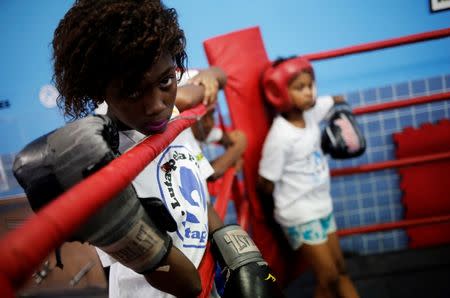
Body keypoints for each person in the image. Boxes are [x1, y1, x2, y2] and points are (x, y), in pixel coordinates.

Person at [43, 1, 282, 297]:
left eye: (166, 81)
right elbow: (186, 284)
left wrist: (234, 252)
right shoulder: (100, 160)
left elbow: (196, 199)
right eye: (132, 91)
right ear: (99, 89)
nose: (157, 106)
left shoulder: (171, 110)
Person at [258, 56, 360, 298]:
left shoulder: (310, 113)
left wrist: (342, 108)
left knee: (341, 270)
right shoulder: (281, 136)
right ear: (280, 92)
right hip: (300, 214)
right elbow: (264, 182)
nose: (309, 93)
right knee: (328, 277)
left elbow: (331, 101)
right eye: (300, 88)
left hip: (322, 205)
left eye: (310, 85)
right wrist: (281, 210)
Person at [176, 68, 248, 181]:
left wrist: (209, 74)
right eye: (203, 116)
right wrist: (234, 154)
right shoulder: (184, 138)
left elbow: (238, 137)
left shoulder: (203, 131)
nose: (209, 123)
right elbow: (211, 174)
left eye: (212, 114)